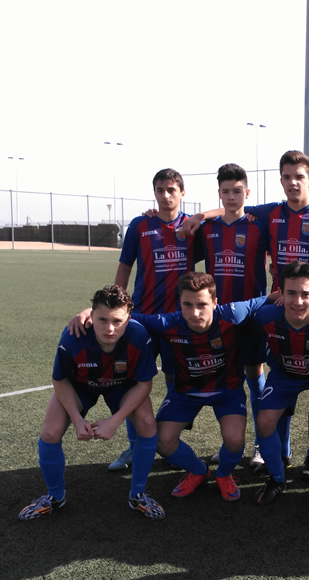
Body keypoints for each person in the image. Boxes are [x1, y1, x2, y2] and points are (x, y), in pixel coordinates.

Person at [186, 151, 309, 472]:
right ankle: (271, 449)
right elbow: (234, 207)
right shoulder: (269, 214)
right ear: (280, 180)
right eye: (287, 177)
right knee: (269, 380)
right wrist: (200, 215)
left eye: (299, 176)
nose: (293, 182)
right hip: (273, 311)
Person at [19, 285, 163, 520]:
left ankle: (138, 494)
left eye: (117, 321)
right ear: (91, 315)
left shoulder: (139, 336)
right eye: (102, 319)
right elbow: (60, 380)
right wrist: (77, 419)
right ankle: (55, 496)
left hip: (122, 386)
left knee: (147, 423)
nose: (109, 328)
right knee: (50, 432)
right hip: (80, 386)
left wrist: (115, 421)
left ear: (129, 318)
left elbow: (144, 385)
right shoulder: (73, 336)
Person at [131, 272, 275, 502]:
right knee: (162, 441)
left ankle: (224, 474)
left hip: (227, 391)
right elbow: (126, 318)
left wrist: (281, 296)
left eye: (202, 305)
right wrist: (90, 313)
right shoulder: (169, 323)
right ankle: (199, 471)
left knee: (235, 440)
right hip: (186, 393)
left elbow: (263, 299)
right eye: (187, 305)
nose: (195, 313)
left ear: (215, 303)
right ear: (180, 303)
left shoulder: (232, 315)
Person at [107, 168, 200, 472]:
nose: (165, 195)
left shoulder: (193, 227)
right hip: (142, 319)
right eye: (160, 190)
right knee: (134, 382)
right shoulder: (140, 225)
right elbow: (125, 266)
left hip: (178, 321)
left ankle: (168, 442)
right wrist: (117, 305)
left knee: (176, 382)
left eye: (171, 189)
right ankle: (135, 446)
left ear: (182, 193)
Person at [250, 261, 309, 510]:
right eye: (291, 293)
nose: (298, 301)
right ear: (280, 294)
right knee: (264, 421)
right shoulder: (265, 316)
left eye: (305, 294)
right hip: (284, 375)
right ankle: (277, 479)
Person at [195, 163, 271, 465]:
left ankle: (262, 445)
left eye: (237, 191)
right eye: (225, 191)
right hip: (219, 318)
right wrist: (201, 215)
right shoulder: (207, 229)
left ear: (247, 193)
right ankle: (230, 444)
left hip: (252, 316)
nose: (231, 196)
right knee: (226, 382)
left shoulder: (258, 226)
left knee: (254, 376)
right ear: (219, 193)